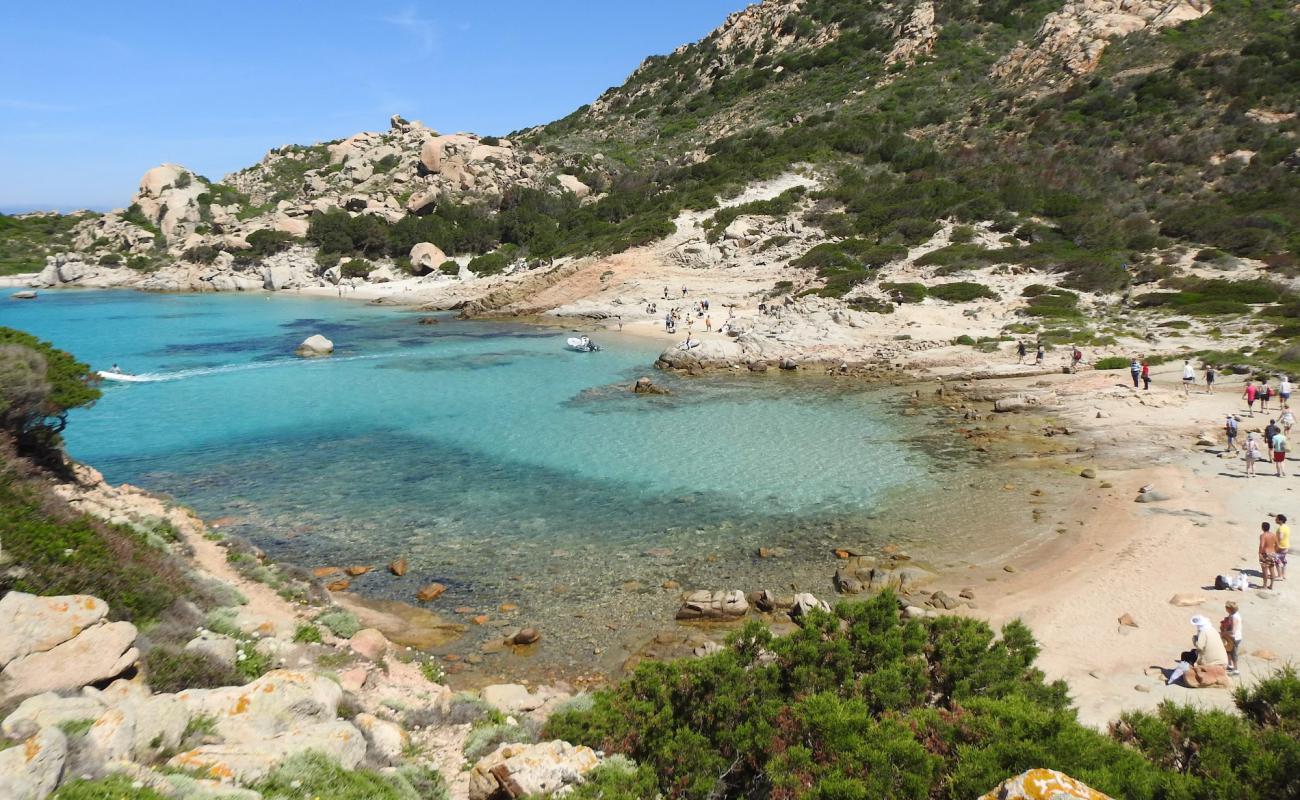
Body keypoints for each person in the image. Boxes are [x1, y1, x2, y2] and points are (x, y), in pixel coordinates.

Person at [1167, 615, 1230, 687]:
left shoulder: (1203, 632)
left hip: (1211, 661)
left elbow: (1200, 647)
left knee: (1185, 655)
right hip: (1223, 660)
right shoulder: (1212, 629)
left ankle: (1184, 674)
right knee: (1192, 652)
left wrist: (1194, 640)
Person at [1221, 601, 1243, 674]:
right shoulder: (1232, 615)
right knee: (1228, 651)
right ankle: (1230, 665)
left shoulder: (1235, 617)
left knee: (1233, 653)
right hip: (1230, 637)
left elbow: (1233, 631)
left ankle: (1236, 670)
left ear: (1229, 609)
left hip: (1234, 638)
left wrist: (1223, 633)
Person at [1259, 521, 1280, 589]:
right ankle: (1271, 585)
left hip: (1265, 553)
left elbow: (1262, 546)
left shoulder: (1263, 535)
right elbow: (1277, 545)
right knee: (1272, 569)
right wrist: (1274, 551)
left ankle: (1264, 586)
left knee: (1265, 570)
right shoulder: (1273, 535)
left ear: (1262, 528)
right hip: (1272, 553)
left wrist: (1260, 553)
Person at [1277, 513, 1290, 581]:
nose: (1275, 520)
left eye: (1277, 519)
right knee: (1284, 561)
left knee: (1277, 561)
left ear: (1280, 520)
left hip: (1281, 547)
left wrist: (1276, 543)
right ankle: (1284, 575)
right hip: (1286, 546)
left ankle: (1280, 576)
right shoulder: (1286, 527)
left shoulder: (1281, 528)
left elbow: (1281, 537)